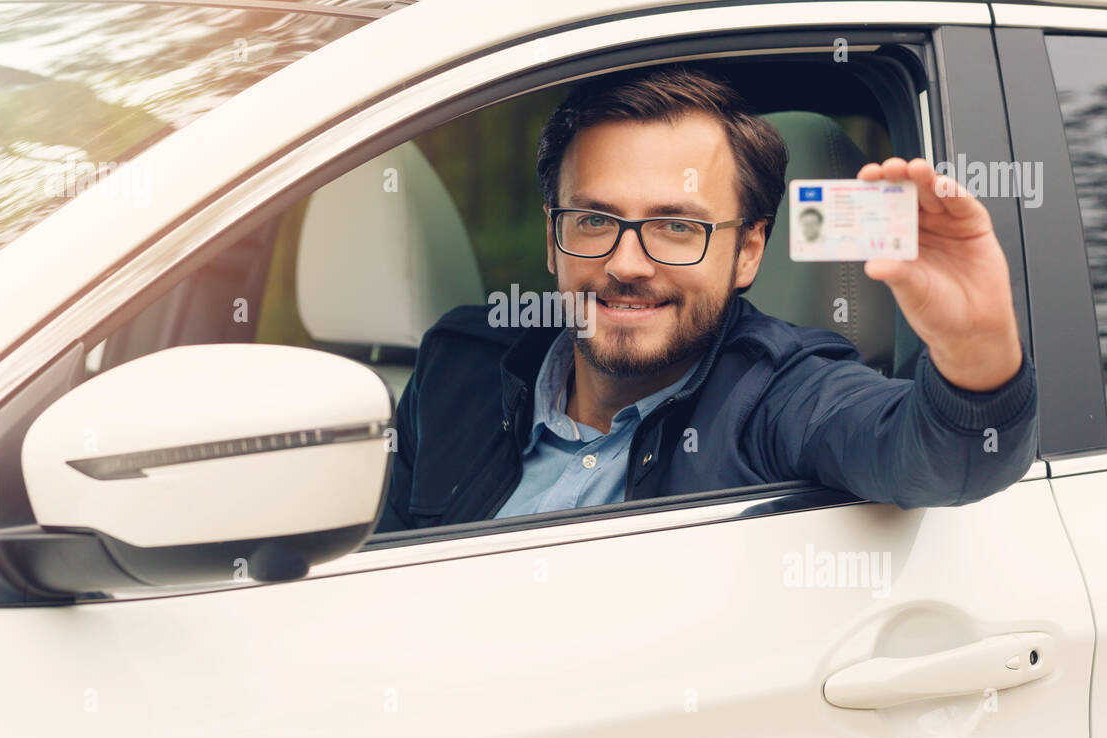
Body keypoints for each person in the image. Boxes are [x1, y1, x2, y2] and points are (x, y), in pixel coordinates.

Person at [376, 63, 1036, 532]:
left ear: (749, 250)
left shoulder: (781, 395)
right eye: (594, 221)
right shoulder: (455, 368)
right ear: (552, 237)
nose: (625, 264)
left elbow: (945, 461)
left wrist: (975, 345)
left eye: (676, 227)